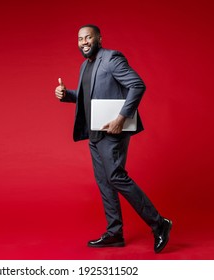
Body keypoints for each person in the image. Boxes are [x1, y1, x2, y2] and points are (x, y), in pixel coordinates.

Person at [54, 24, 172, 253]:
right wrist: (66, 94)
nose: (84, 42)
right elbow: (88, 97)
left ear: (99, 38)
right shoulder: (84, 66)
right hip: (94, 133)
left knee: (116, 176)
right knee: (105, 182)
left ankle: (159, 223)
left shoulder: (111, 59)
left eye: (88, 37)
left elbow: (137, 85)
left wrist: (121, 118)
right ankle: (114, 233)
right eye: (80, 39)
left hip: (112, 131)